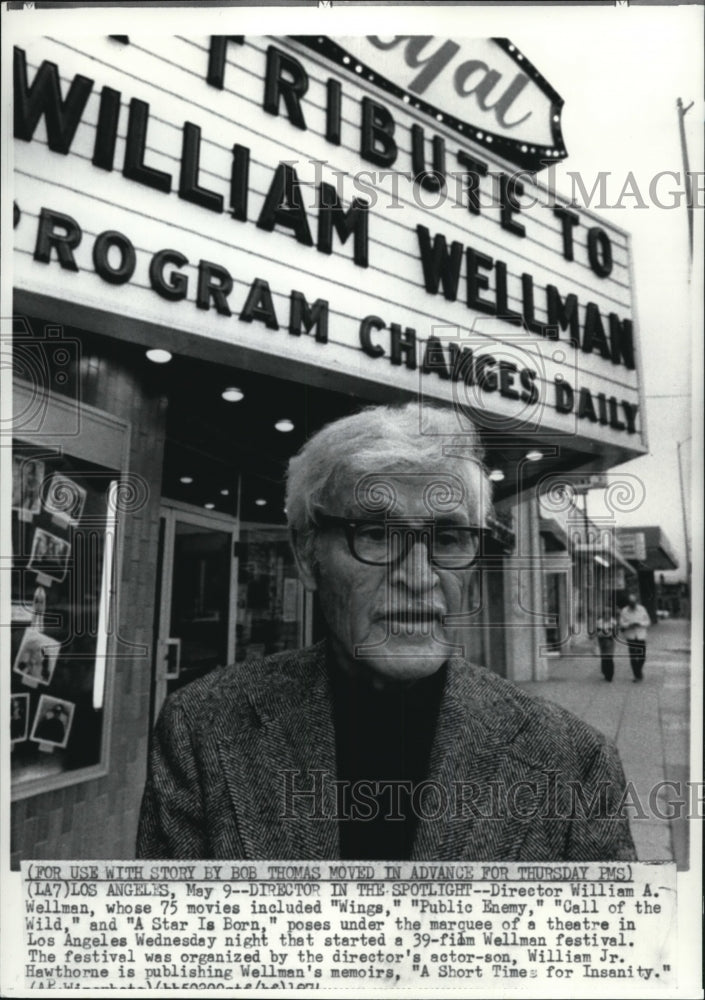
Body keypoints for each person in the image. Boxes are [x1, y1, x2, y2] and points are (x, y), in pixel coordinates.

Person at [137, 403, 636, 861]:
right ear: (307, 555)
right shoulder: (202, 730)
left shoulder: (574, 760)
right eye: (375, 534)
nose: (418, 578)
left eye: (448, 537)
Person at [619, 592, 651, 682]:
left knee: (642, 656)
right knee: (633, 656)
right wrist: (629, 625)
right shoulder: (624, 611)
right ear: (628, 603)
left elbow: (648, 621)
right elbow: (621, 623)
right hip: (630, 636)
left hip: (641, 635)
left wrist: (640, 624)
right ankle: (637, 675)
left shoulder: (642, 609)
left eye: (633, 602)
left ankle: (638, 671)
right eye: (630, 603)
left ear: (636, 602)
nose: (632, 605)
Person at [595, 604, 618, 682]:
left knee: (609, 658)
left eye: (608, 613)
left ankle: (610, 675)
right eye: (605, 613)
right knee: (604, 658)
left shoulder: (613, 621)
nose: (606, 615)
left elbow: (615, 633)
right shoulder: (599, 622)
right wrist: (601, 633)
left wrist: (610, 633)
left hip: (610, 641)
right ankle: (604, 671)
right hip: (602, 641)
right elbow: (597, 632)